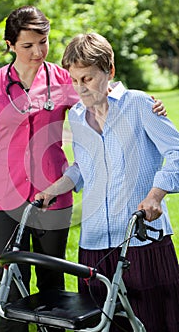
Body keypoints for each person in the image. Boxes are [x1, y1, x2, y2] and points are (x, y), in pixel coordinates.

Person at [0, 5, 166, 332]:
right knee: (10, 282)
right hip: (4, 198)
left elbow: (102, 90)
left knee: (52, 284)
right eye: (27, 45)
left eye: (43, 42)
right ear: (9, 45)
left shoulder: (64, 79)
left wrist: (149, 104)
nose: (38, 51)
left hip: (53, 197)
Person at [35, 33, 179, 332]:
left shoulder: (139, 105)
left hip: (141, 239)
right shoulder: (76, 116)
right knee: (103, 323)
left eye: (87, 78)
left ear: (109, 71)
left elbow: (176, 152)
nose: (80, 88)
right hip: (95, 241)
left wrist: (157, 194)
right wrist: (54, 189)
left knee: (155, 321)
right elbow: (84, 167)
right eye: (74, 81)